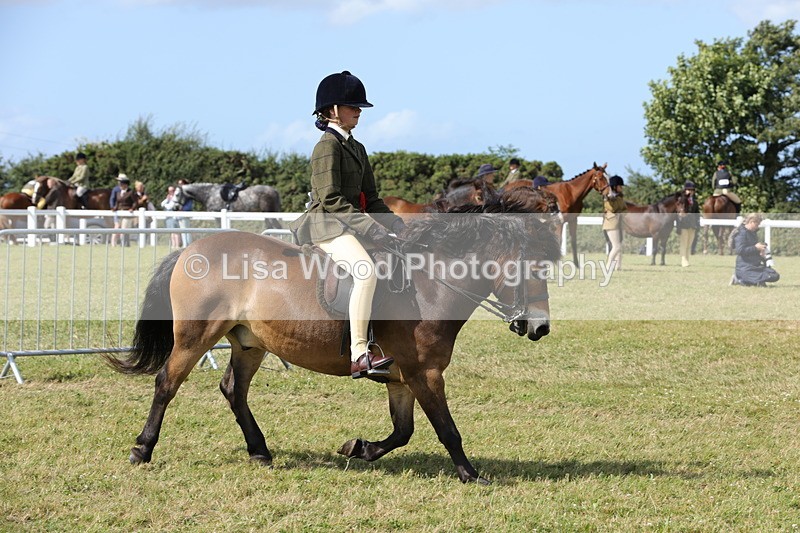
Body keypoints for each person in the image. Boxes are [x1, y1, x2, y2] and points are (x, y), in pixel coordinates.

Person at [288, 70, 405, 381]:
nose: (358, 112)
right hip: (327, 226)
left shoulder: (357, 147)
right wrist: (372, 229)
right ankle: (359, 354)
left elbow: (373, 198)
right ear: (333, 110)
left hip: (349, 224)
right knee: (365, 272)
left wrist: (397, 225)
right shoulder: (326, 146)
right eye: (353, 106)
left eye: (359, 107)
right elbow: (329, 198)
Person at [731, 213, 779, 287]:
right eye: (757, 224)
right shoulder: (741, 233)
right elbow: (740, 250)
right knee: (766, 277)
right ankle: (739, 278)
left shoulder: (752, 233)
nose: (758, 227)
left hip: (755, 266)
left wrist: (761, 251)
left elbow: (753, 248)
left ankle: (751, 281)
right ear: (752, 222)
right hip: (745, 267)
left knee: (774, 275)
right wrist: (756, 248)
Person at [602, 175, 627, 271]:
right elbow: (612, 209)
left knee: (620, 245)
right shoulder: (608, 198)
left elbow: (625, 210)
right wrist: (611, 199)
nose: (622, 188)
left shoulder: (619, 197)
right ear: (615, 187)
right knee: (616, 246)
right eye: (620, 186)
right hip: (611, 222)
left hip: (620, 222)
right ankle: (608, 266)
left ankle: (618, 266)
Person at [677, 180, 701, 267]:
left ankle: (687, 259)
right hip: (684, 224)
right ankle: (683, 260)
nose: (690, 192)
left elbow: (697, 213)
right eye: (688, 190)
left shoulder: (695, 201)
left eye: (692, 190)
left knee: (689, 243)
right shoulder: (682, 200)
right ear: (685, 190)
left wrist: (697, 224)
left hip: (692, 224)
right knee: (684, 242)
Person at [109, 174, 136, 246]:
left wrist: (132, 208)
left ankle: (124, 244)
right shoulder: (117, 191)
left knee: (124, 229)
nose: (120, 185)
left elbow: (135, 202)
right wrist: (114, 207)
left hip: (126, 212)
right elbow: (115, 201)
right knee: (117, 228)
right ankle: (113, 244)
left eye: (121, 183)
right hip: (119, 212)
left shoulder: (130, 192)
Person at [172, 179, 194, 247]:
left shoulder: (188, 194)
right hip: (180, 214)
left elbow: (189, 205)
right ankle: (185, 244)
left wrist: (183, 209)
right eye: (179, 184)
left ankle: (188, 244)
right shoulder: (180, 193)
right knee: (182, 230)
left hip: (185, 213)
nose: (180, 185)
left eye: (181, 183)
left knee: (186, 229)